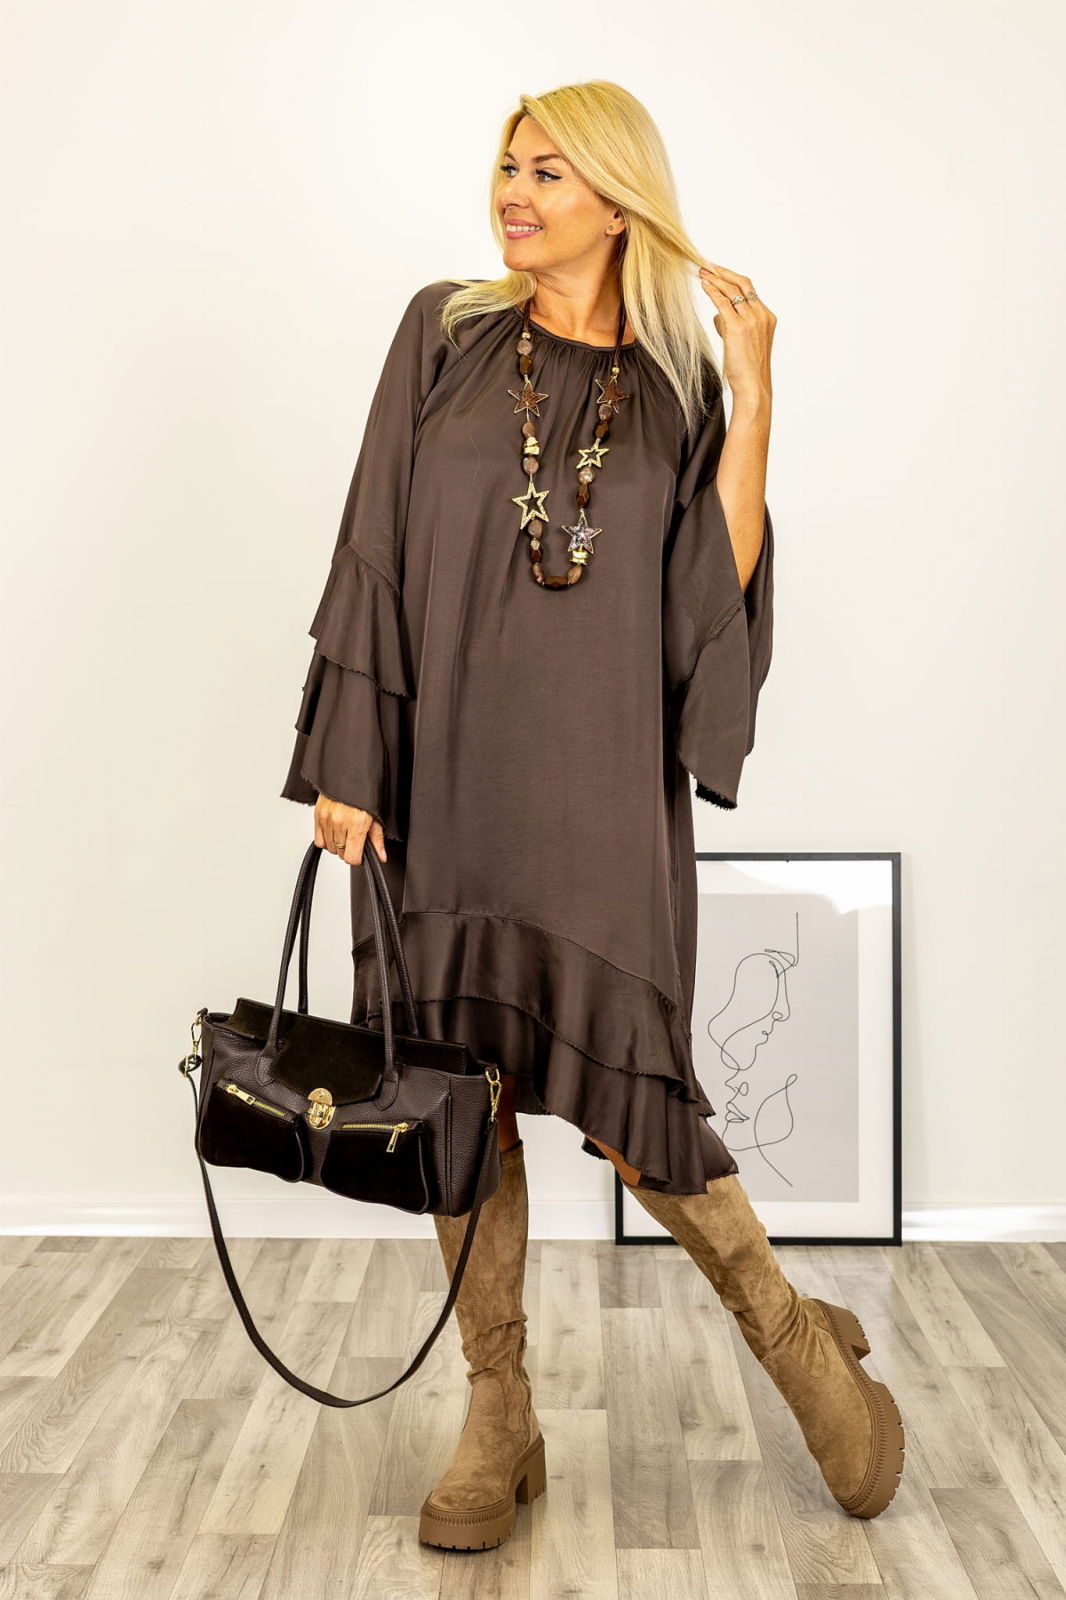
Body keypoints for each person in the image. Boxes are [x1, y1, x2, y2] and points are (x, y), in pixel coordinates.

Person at [280, 81, 906, 1550]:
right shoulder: (442, 332)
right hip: (440, 785)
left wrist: (755, 397)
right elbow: (372, 541)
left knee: (637, 1111)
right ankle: (499, 1413)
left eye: (548, 171)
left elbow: (706, 614)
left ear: (618, 201)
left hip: (596, 793)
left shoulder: (679, 391)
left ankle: (800, 1353)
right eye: (507, 166)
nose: (513, 192)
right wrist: (350, 753)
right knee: (458, 1092)